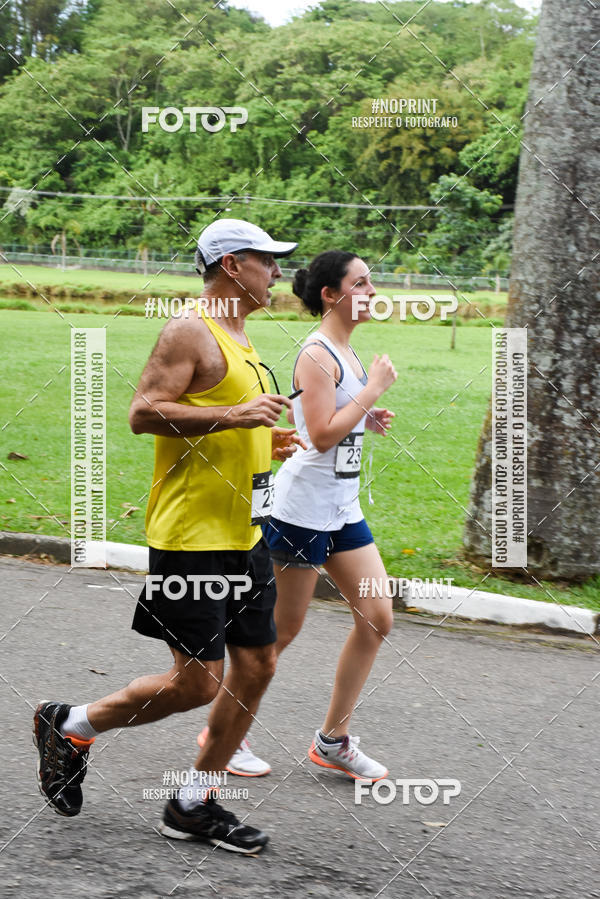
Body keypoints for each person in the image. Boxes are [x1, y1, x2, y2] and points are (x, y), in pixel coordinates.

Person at [33, 219, 305, 854]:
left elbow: (227, 428)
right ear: (233, 265)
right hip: (192, 536)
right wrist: (234, 415)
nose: (279, 273)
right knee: (198, 682)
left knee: (259, 665)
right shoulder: (191, 328)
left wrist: (265, 441)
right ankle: (71, 724)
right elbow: (143, 412)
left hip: (245, 532)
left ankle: (193, 804)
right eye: (269, 261)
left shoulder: (244, 339)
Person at [199, 250, 397, 782]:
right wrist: (373, 391)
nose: (371, 291)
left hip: (340, 506)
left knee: (377, 618)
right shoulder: (317, 353)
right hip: (301, 511)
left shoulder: (347, 354)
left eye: (371, 282)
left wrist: (365, 413)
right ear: (331, 295)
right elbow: (323, 433)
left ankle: (332, 741)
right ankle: (223, 736)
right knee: (275, 635)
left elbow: (333, 422)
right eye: (360, 283)